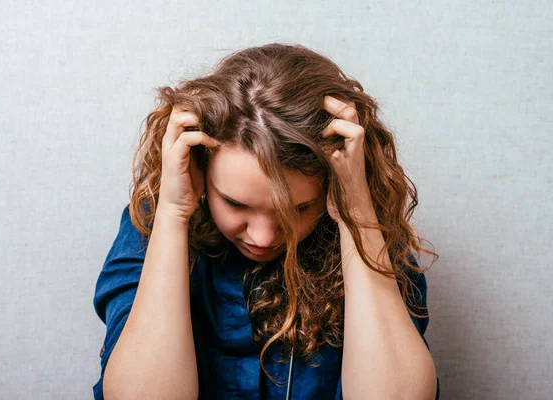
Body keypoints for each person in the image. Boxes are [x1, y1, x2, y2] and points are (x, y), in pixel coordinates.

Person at [92, 43, 440, 400]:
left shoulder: (368, 231)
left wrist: (357, 214)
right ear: (199, 169)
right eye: (235, 204)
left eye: (299, 209)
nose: (263, 236)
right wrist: (173, 212)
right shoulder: (154, 223)